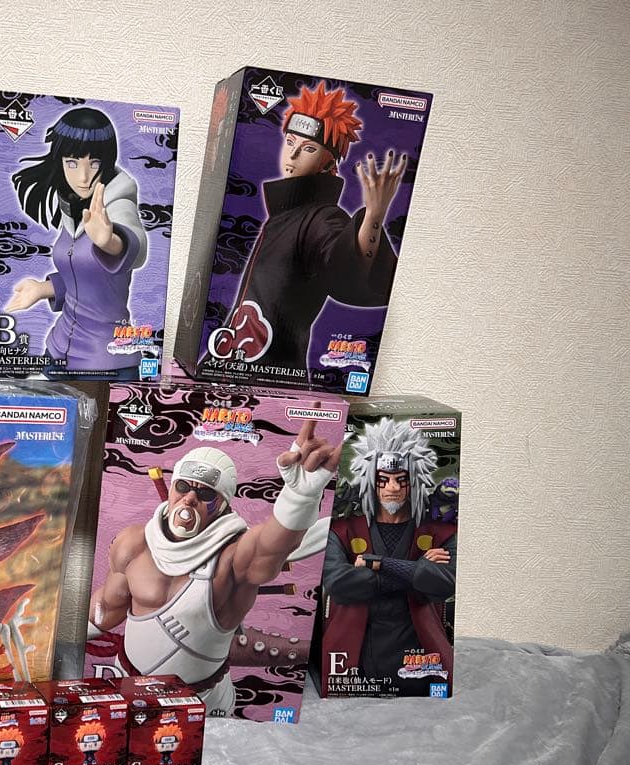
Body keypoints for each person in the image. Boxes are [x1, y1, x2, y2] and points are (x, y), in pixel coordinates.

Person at [86, 416, 339, 715]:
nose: (189, 499)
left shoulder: (231, 558)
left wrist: (299, 497)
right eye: (183, 487)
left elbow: (271, 545)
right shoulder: (134, 543)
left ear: (223, 505)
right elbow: (106, 608)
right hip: (130, 689)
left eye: (205, 493)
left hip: (202, 705)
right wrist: (49, 637)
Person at [209, 81, 406, 375]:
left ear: (329, 163)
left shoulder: (321, 218)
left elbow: (345, 271)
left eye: (309, 148)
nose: (293, 155)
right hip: (238, 364)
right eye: (290, 142)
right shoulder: (284, 215)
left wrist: (374, 216)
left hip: (275, 375)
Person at [5, 107, 148, 377]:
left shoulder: (116, 204)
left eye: (94, 163)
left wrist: (110, 241)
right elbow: (82, 277)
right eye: (72, 162)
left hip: (104, 362)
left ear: (107, 162)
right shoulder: (71, 207)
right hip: (58, 352)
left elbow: (135, 248)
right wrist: (42, 288)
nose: (83, 177)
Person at [321, 417, 456, 690]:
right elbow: (338, 584)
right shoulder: (341, 530)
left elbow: (444, 584)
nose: (392, 488)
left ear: (414, 481)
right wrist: (415, 571)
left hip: (422, 662)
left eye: (401, 480)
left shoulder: (441, 532)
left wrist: (378, 563)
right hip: (353, 661)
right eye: (383, 480)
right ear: (370, 481)